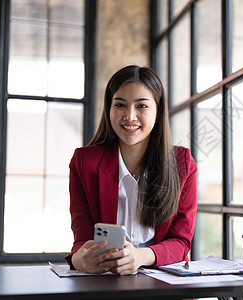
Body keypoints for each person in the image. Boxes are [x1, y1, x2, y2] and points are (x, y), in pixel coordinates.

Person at [65, 65, 197, 275]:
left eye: (141, 106)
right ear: (109, 109)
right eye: (120, 105)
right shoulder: (84, 162)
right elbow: (82, 241)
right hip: (107, 283)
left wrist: (140, 256)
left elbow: (181, 242)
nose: (130, 116)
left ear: (158, 111)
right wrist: (80, 259)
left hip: (165, 285)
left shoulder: (182, 163)